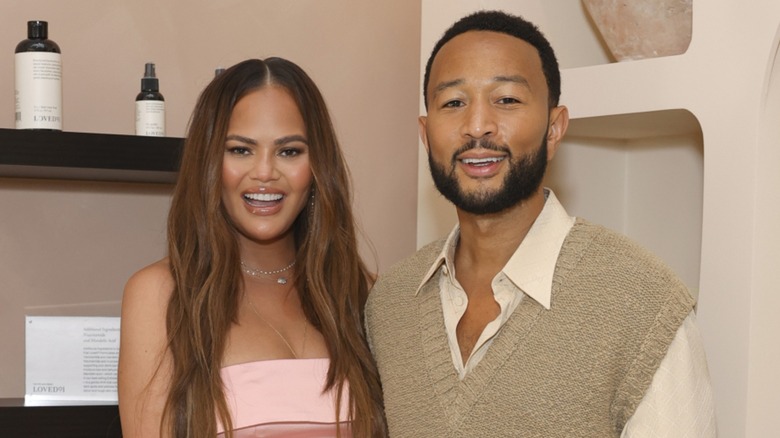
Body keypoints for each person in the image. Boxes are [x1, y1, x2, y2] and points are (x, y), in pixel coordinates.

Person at [365, 10, 716, 437]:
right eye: (453, 103)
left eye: (507, 100)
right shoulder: (389, 307)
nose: (477, 126)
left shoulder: (642, 305)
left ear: (554, 129)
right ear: (426, 134)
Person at [118, 58, 386, 438]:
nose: (264, 172)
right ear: (209, 162)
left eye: (289, 151)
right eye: (241, 150)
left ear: (317, 167)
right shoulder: (160, 294)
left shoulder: (361, 293)